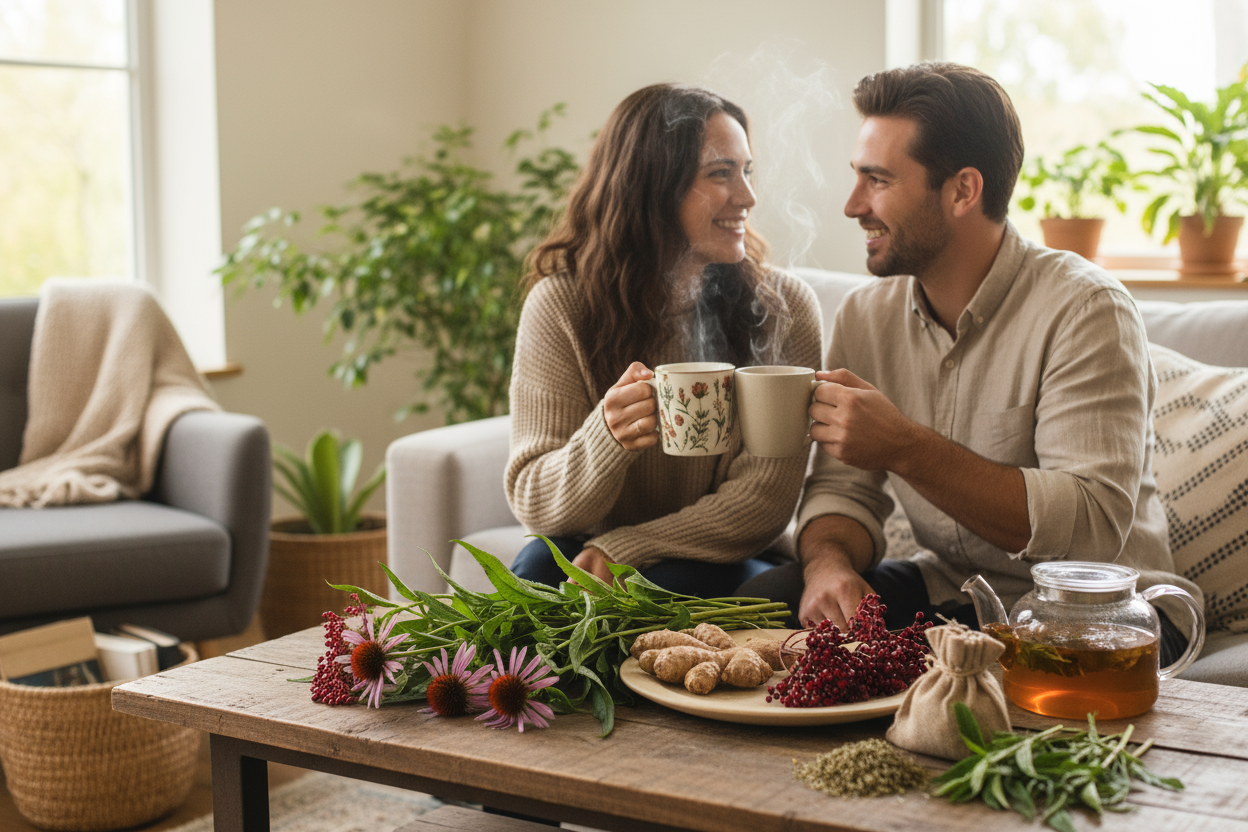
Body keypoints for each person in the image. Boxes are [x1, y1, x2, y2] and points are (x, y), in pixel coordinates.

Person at [736, 62, 1198, 664]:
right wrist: (828, 565)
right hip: (956, 592)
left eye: (878, 180)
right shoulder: (865, 317)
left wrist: (905, 447)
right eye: (857, 176)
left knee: (983, 675)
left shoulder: (1086, 309)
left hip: (1099, 613)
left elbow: (1090, 528)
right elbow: (842, 491)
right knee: (766, 604)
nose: (853, 205)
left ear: (962, 191)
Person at [505, 83, 822, 598]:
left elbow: (764, 500)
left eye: (747, 171)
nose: (748, 197)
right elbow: (537, 505)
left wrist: (629, 547)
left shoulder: (782, 308)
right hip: (586, 542)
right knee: (539, 571)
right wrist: (607, 439)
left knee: (648, 589)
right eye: (721, 173)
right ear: (653, 186)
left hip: (724, 556)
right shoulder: (562, 305)